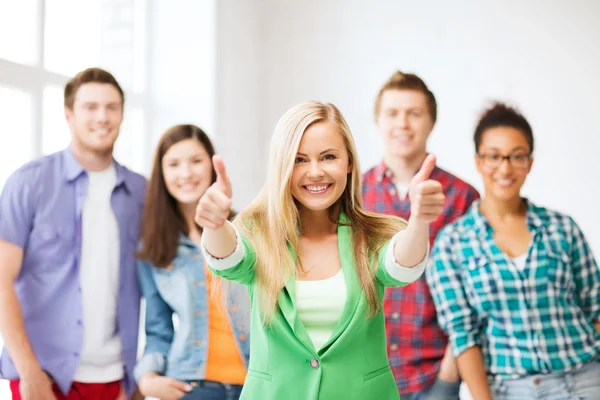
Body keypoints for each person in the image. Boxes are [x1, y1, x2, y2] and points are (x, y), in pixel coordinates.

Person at [194, 101, 445, 399]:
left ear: (349, 162)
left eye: (328, 157)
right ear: (282, 166)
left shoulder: (369, 237)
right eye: (299, 160)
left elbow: (402, 265)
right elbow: (228, 258)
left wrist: (419, 220)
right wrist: (215, 225)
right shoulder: (259, 234)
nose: (315, 172)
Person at [426, 102, 600, 399]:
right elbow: (464, 337)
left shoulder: (562, 228)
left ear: (529, 162)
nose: (505, 168)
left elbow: (595, 307)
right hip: (509, 389)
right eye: (494, 156)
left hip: (584, 379)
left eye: (516, 156)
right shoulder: (452, 243)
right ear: (478, 160)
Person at [0, 68, 147, 400]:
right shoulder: (29, 182)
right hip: (44, 375)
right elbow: (1, 279)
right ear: (69, 114)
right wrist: (29, 373)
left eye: (112, 107)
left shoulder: (141, 192)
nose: (102, 117)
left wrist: (138, 375)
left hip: (116, 379)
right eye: (91, 107)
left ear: (122, 114)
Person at [362, 71, 479, 398]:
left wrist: (448, 375)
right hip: (364, 377)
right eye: (393, 113)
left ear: (431, 123)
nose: (403, 124)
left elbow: (474, 296)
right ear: (378, 121)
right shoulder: (353, 194)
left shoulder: (461, 197)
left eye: (414, 114)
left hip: (433, 380)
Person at [134, 124, 250, 400]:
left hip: (255, 383)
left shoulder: (246, 231)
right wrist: (147, 377)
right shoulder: (155, 248)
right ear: (161, 174)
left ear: (212, 165)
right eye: (173, 164)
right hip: (190, 387)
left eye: (196, 161)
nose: (186, 173)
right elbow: (158, 328)